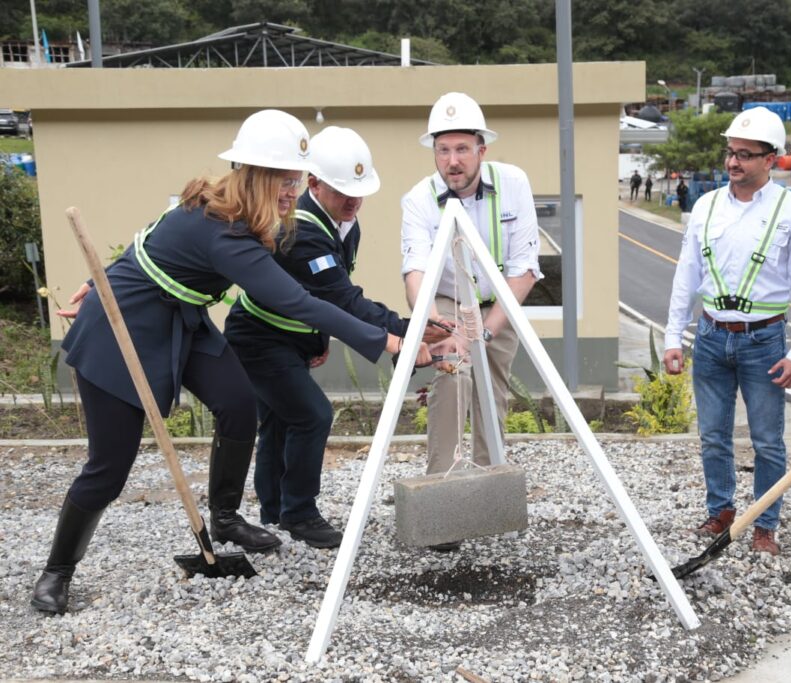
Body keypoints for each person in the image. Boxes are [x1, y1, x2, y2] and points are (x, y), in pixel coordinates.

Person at [30, 110, 430, 614]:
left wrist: (102, 275)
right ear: (256, 176)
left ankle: (224, 518)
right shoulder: (220, 229)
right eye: (286, 181)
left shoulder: (231, 212)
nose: (294, 192)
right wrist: (389, 341)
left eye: (296, 180)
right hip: (122, 329)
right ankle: (57, 571)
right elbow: (297, 301)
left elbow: (151, 239)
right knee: (109, 467)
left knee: (239, 403)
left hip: (183, 320)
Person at [224, 126, 448, 548]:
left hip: (288, 336)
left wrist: (318, 341)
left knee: (280, 421)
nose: (354, 201)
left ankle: (275, 511)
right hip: (259, 338)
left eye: (360, 192)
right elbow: (343, 299)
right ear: (314, 184)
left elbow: (321, 294)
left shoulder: (343, 222)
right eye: (344, 192)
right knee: (312, 415)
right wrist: (408, 329)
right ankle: (299, 513)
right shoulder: (301, 232)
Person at [663, 106, 791, 556]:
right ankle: (721, 510)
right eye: (731, 153)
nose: (733, 162)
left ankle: (764, 525)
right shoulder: (707, 206)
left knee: (767, 441)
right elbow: (687, 274)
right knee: (713, 436)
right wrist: (673, 336)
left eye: (745, 155)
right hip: (711, 335)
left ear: (771, 159)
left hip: (764, 340)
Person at [400, 92, 542, 546]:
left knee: (491, 394)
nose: (453, 161)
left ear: (482, 149)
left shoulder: (514, 184)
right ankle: (440, 500)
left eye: (462, 149)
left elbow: (525, 268)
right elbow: (416, 273)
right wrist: (440, 330)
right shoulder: (418, 199)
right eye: (443, 149)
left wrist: (486, 329)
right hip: (444, 302)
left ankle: (486, 496)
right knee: (452, 378)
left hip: (499, 302)